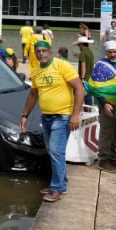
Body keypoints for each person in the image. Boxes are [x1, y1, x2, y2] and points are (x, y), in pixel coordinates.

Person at [19, 40, 85, 202]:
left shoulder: (61, 66)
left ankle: (57, 188)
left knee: (56, 152)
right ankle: (59, 183)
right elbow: (33, 95)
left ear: (50, 51)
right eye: (38, 51)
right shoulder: (35, 71)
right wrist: (25, 115)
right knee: (53, 152)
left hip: (63, 116)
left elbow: (79, 88)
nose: (41, 54)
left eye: (44, 51)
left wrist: (75, 115)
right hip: (46, 117)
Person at [91, 40, 116, 173]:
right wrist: (104, 103)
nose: (113, 54)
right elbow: (96, 87)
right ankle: (104, 160)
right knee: (107, 132)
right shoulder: (101, 66)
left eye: (115, 51)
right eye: (110, 52)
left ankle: (113, 158)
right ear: (106, 52)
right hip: (107, 104)